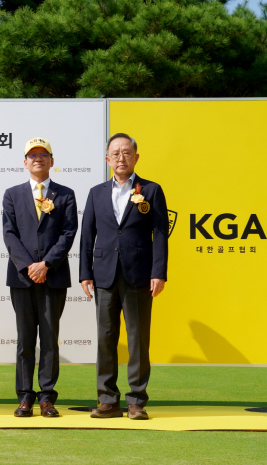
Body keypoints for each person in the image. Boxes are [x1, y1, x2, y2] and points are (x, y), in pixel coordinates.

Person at [80, 133, 169, 420]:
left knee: (138, 338)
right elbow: (87, 236)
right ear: (107, 159)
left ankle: (136, 401)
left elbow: (161, 235)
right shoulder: (96, 192)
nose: (121, 157)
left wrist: (159, 272)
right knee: (106, 337)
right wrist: (85, 273)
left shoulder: (152, 190)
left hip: (139, 274)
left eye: (126, 152)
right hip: (104, 274)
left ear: (136, 157)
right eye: (115, 153)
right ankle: (107, 399)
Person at [2, 137, 78, 418]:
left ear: (51, 160)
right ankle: (25, 397)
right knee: (25, 340)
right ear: (25, 162)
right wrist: (29, 267)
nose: (38, 158)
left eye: (43, 154)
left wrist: (45, 264)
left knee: (49, 338)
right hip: (22, 279)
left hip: (54, 277)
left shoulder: (65, 194)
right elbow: (9, 235)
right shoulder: (12, 194)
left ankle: (47, 397)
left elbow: (68, 234)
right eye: (32, 155)